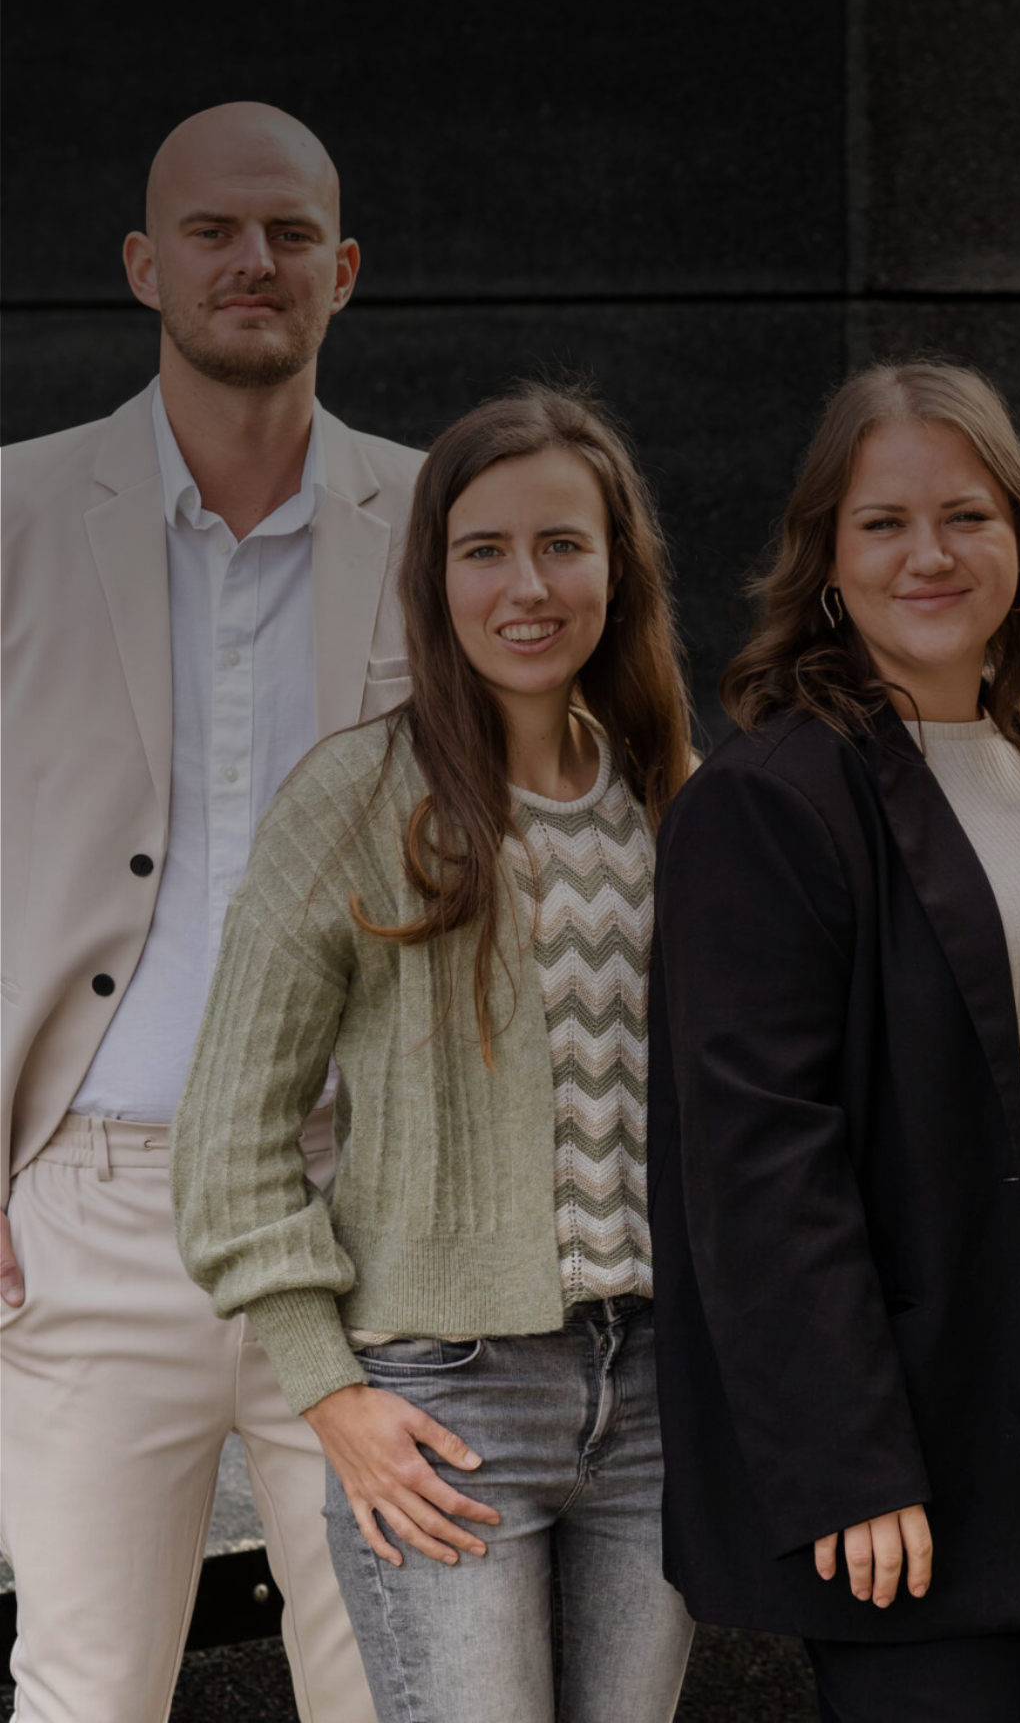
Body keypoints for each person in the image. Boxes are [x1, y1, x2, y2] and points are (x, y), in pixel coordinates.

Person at [171, 384, 698, 1722]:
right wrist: (330, 1393)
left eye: (563, 545)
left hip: (659, 1396)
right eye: (485, 550)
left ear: (618, 568)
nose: (527, 585)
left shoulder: (673, 797)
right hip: (445, 1406)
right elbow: (231, 1140)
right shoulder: (352, 800)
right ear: (434, 576)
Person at [651, 361, 1020, 1722]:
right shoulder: (773, 800)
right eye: (883, 523)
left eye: (967, 516)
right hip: (912, 1443)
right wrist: (850, 1460)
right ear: (826, 559)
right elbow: (758, 1162)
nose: (929, 555)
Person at [0, 101, 413, 1722]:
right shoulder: (17, 515)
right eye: (214, 231)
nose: (255, 261)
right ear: (142, 264)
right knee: (86, 1697)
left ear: (344, 270)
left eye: (291, 233)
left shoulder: (445, 521)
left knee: (392, 1695)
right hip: (93, 1213)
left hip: (369, 1217)